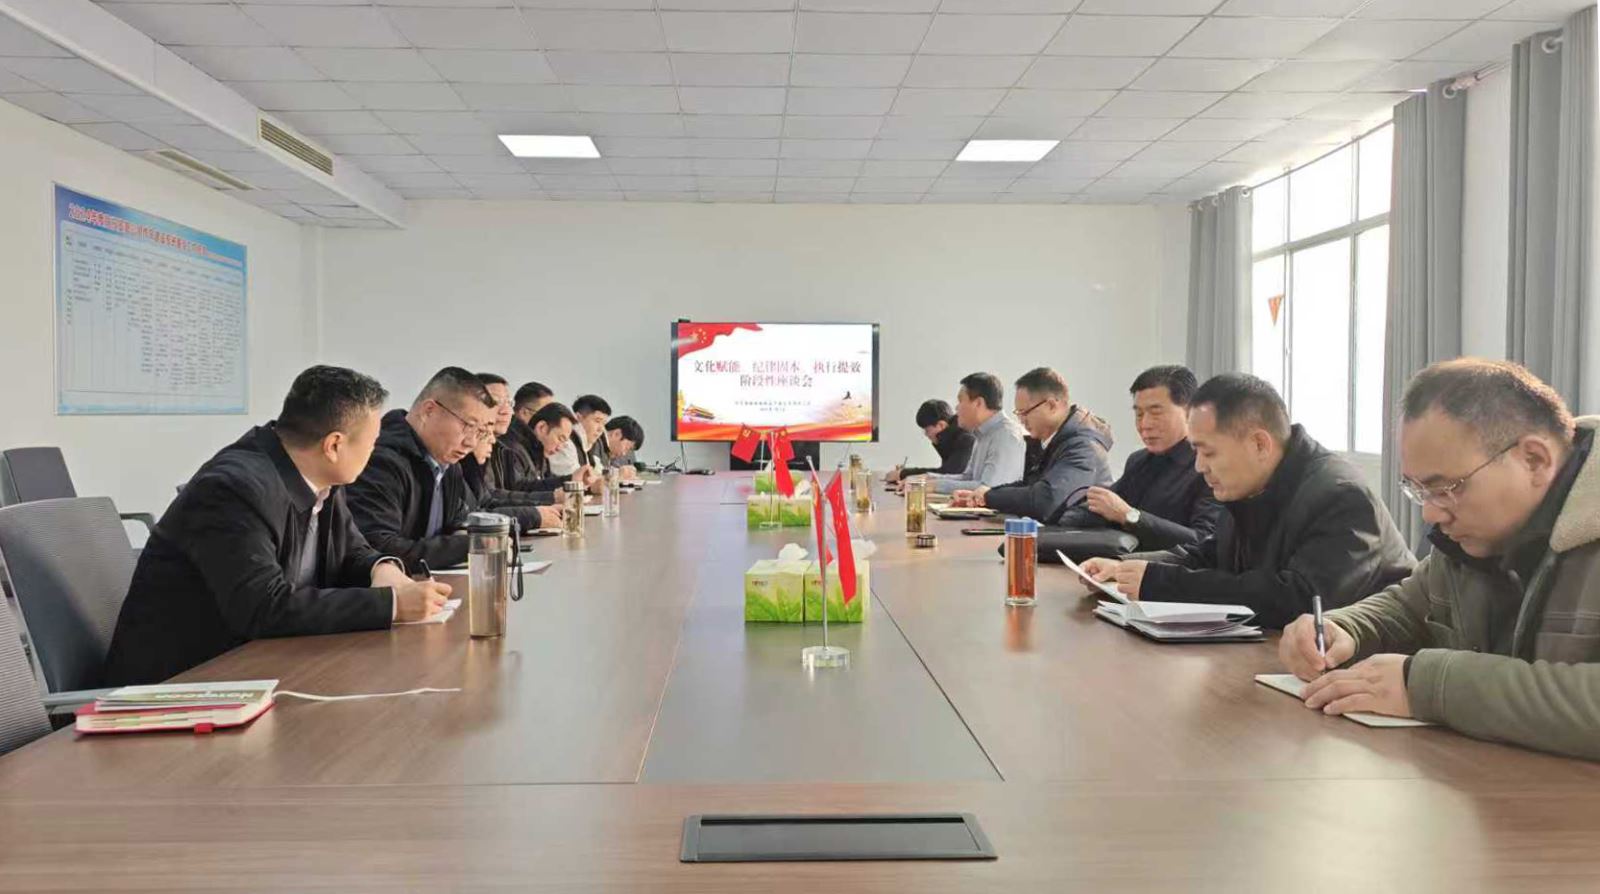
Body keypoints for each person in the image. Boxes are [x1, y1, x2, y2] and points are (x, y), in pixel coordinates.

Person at [1279, 359, 1600, 760]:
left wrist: (1428, 686)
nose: (1430, 513)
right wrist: (1343, 629)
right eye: (1419, 490)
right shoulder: (1476, 537)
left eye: (1448, 488)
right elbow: (1409, 606)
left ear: (1534, 459)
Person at [102, 366, 452, 685]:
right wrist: (392, 604)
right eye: (372, 442)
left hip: (257, 668)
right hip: (180, 685)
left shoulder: (322, 478)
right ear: (333, 445)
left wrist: (382, 569)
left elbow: (351, 549)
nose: (374, 451)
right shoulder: (233, 490)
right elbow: (264, 608)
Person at [1083, 373, 1414, 629]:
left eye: (1208, 452)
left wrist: (1159, 583)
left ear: (1259, 444)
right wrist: (1127, 568)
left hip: (1367, 671)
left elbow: (1300, 600)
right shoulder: (1250, 482)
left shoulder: (1340, 495)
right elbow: (1211, 554)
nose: (1199, 467)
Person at [1052, 365, 1222, 552]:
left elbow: (1204, 542)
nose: (1145, 424)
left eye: (1156, 413)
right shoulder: (1139, 461)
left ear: (1190, 412)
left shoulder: (1212, 467)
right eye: (1139, 414)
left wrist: (1130, 516)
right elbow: (1102, 508)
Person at [346, 367, 498, 571]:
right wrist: (471, 545)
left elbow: (460, 519)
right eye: (468, 426)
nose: (471, 442)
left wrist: (469, 535)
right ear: (429, 411)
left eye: (480, 432)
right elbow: (378, 549)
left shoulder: (448, 465)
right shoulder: (381, 462)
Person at [953, 367, 1114, 525]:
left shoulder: (1083, 447)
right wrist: (985, 493)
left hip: (1082, 537)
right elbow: (1031, 486)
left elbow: (1046, 500)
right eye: (1018, 414)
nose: (1021, 421)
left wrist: (989, 497)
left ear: (1051, 405)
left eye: (1025, 412)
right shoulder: (1053, 440)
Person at [460, 373, 563, 529]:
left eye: (508, 402)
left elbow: (489, 500)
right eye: (495, 402)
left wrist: (545, 505)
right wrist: (538, 511)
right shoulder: (511, 445)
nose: (506, 411)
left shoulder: (502, 447)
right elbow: (478, 509)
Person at [927, 372, 1026, 495]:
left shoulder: (1006, 435)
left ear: (978, 403)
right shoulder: (981, 434)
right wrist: (929, 479)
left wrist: (935, 486)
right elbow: (968, 477)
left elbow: (988, 488)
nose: (957, 408)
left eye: (960, 401)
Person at [886, 399, 975, 484]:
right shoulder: (952, 438)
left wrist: (903, 474)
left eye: (927, 430)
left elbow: (948, 474)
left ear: (941, 425)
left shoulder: (966, 440)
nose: (926, 434)